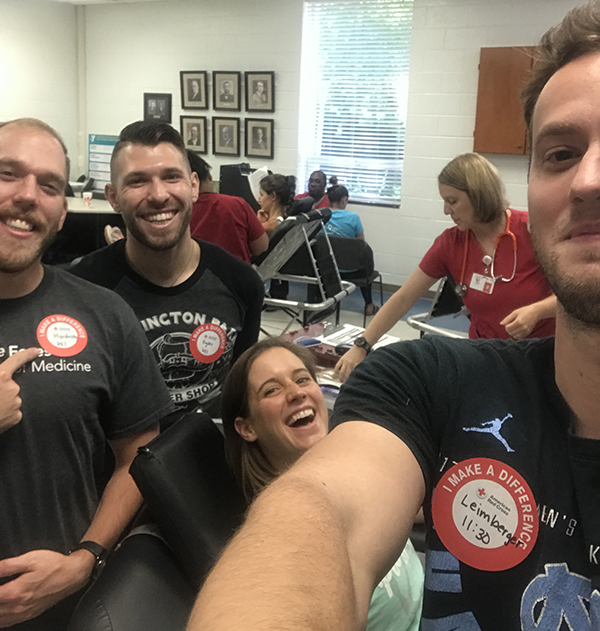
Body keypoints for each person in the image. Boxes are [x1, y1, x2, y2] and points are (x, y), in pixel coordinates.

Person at [187, 4, 600, 630]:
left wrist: (541, 307)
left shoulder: (520, 232)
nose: (588, 180)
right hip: (493, 363)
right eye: (562, 153)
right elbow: (327, 514)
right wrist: (362, 346)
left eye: (453, 201)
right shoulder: (430, 377)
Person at [0, 118, 172, 630]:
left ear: (60, 215)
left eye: (49, 184)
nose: (29, 195)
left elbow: (138, 456)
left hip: (65, 608)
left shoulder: (103, 313)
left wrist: (85, 561)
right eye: (8, 173)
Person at [221, 338, 424, 631]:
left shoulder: (354, 461)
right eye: (272, 390)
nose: (296, 393)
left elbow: (410, 504)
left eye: (302, 379)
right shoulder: (284, 539)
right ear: (247, 428)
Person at [71, 121, 264, 424]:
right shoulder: (81, 290)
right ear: (113, 197)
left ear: (194, 185)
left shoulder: (241, 282)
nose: (158, 195)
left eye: (171, 176)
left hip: (210, 455)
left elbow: (241, 390)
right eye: (137, 181)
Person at [335, 152, 556, 382]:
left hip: (541, 358)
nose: (446, 210)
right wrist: (361, 346)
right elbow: (403, 298)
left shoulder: (534, 230)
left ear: (479, 195)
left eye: (452, 201)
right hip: (487, 357)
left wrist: (537, 311)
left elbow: (584, 293)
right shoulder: (451, 243)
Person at [188, 152, 268, 264]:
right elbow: (261, 247)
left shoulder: (179, 212)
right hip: (237, 278)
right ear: (209, 177)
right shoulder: (237, 204)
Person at [324, 184, 379, 316]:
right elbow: (361, 245)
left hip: (328, 271)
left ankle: (325, 302)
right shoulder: (354, 218)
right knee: (365, 260)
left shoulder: (322, 216)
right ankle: (369, 305)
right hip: (352, 272)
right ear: (344, 199)